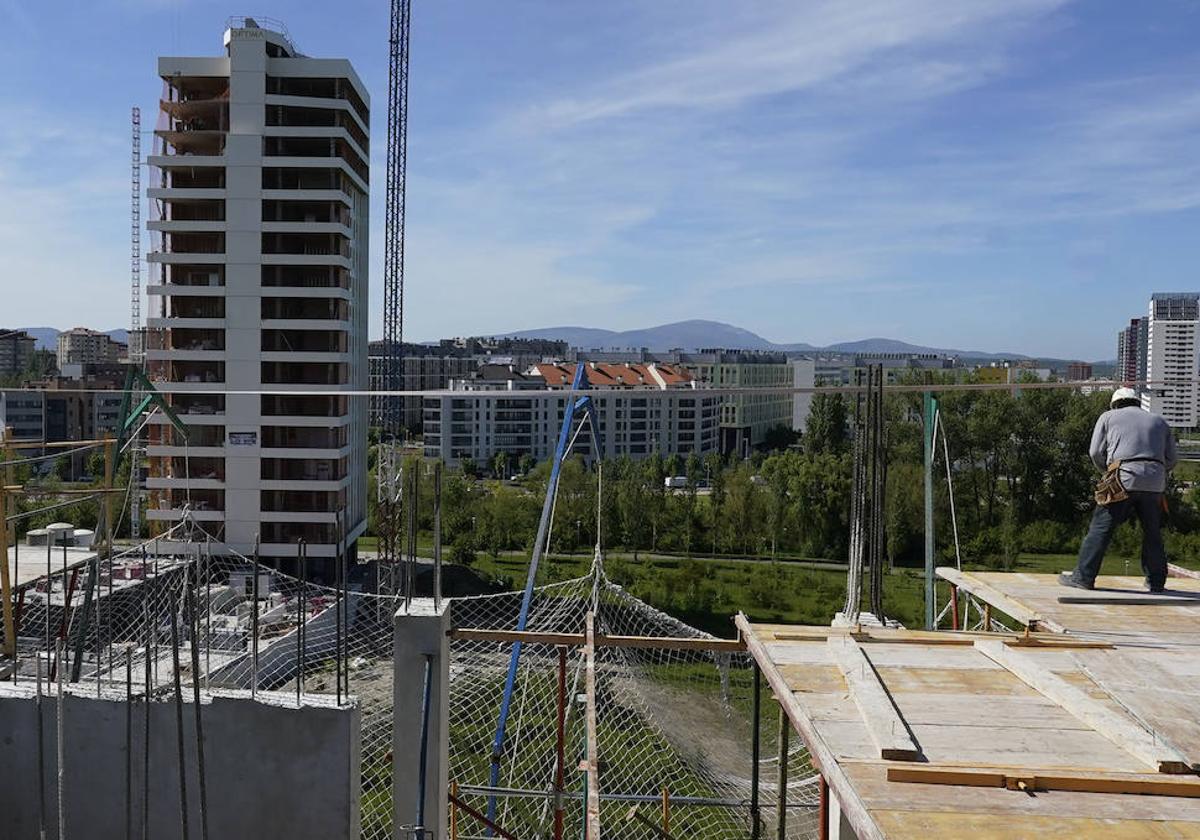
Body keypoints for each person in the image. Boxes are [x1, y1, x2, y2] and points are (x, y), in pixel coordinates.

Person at [1062, 387, 1177, 592]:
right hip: (1154, 482)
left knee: (1101, 528)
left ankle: (1083, 577)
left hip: (1123, 478)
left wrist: (1108, 471)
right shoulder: (1159, 421)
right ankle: (1156, 582)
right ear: (1137, 403)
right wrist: (1153, 472)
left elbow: (1095, 451)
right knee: (1152, 533)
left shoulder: (1108, 417)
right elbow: (1171, 460)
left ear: (1115, 404)